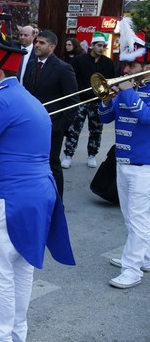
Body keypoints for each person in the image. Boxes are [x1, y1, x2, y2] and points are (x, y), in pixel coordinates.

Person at [0, 38, 75, 342]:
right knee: (21, 268)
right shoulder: (29, 99)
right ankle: (15, 333)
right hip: (40, 192)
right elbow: (25, 149)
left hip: (13, 198)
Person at [98, 18, 150, 289]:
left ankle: (133, 269)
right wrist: (107, 99)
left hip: (146, 166)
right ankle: (145, 256)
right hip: (123, 162)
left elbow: (145, 117)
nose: (125, 69)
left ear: (146, 67)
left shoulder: (141, 91)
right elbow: (106, 119)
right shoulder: (128, 90)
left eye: (131, 66)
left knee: (139, 218)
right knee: (132, 217)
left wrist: (127, 92)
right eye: (125, 65)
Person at [22, 30, 79, 200]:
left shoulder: (64, 68)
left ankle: (56, 202)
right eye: (36, 41)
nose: (37, 45)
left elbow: (73, 101)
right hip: (31, 125)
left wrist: (59, 128)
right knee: (31, 163)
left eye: (42, 43)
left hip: (52, 126)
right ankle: (35, 198)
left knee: (52, 164)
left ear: (52, 47)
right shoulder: (32, 64)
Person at [62, 31, 116, 169]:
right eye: (99, 45)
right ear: (92, 45)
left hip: (98, 101)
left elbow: (111, 80)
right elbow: (71, 78)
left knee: (96, 130)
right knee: (74, 129)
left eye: (104, 46)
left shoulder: (108, 63)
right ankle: (68, 155)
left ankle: (92, 155)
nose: (102, 48)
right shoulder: (79, 60)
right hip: (81, 100)